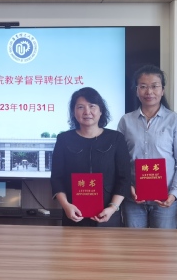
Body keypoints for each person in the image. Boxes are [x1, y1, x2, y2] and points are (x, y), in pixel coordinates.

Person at [117, 65, 177, 229]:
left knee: (164, 244)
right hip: (133, 199)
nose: (149, 92)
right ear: (137, 91)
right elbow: (120, 162)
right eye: (143, 86)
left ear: (162, 90)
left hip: (165, 200)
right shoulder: (126, 121)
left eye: (154, 86)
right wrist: (128, 187)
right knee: (134, 244)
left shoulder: (174, 120)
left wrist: (174, 194)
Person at [50, 87, 131, 227]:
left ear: (101, 110)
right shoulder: (64, 139)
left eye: (92, 106)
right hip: (73, 215)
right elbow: (57, 177)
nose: (87, 112)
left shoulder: (116, 138)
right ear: (74, 112)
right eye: (80, 107)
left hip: (108, 216)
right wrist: (66, 205)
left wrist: (113, 208)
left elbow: (124, 178)